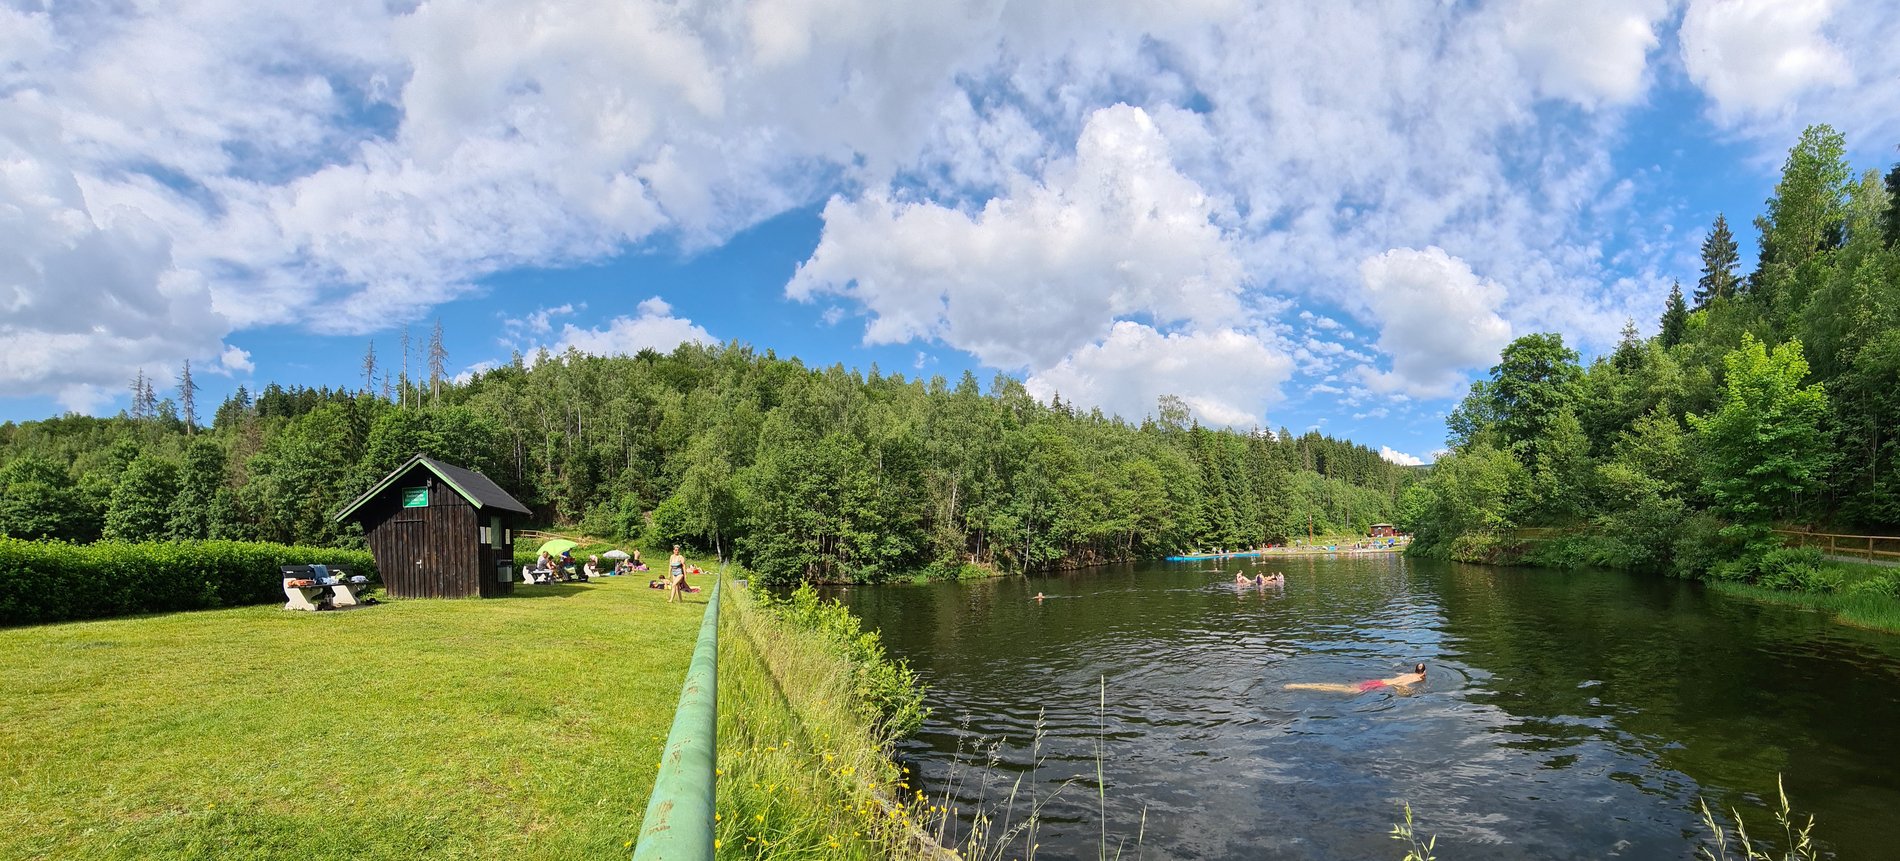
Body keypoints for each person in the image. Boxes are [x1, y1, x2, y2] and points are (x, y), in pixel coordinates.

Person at [1285, 664, 1427, 694]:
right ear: (1424, 672)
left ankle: (1300, 685)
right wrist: (1407, 692)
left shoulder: (1406, 674)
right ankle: (1298, 686)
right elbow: (1401, 686)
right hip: (1378, 686)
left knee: (1343, 687)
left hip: (1379, 681)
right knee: (1342, 689)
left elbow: (1397, 676)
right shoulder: (1415, 679)